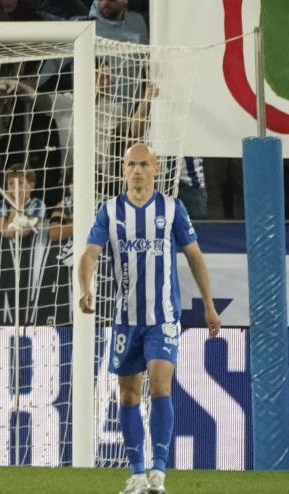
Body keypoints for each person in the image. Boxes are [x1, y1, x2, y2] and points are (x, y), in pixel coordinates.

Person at [78, 143, 221, 494]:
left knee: (160, 385)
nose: (137, 170)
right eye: (131, 165)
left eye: (144, 164)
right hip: (126, 319)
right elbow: (90, 254)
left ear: (156, 169)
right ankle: (137, 473)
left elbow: (194, 256)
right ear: (123, 170)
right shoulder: (109, 211)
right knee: (127, 395)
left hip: (164, 317)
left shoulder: (172, 209)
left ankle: (159, 472)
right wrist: (85, 287)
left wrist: (209, 304)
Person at [0, 163, 45, 239]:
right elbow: (7, 233)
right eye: (11, 183)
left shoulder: (37, 204)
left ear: (31, 186)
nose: (14, 187)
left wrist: (19, 205)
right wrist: (15, 208)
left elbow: (23, 232)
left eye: (20, 183)